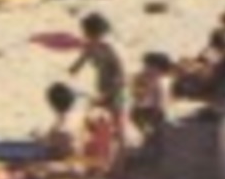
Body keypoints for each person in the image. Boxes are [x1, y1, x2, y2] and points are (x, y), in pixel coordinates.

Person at [69, 13, 126, 152]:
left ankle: (122, 155)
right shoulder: (92, 44)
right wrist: (75, 68)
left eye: (86, 31)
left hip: (117, 88)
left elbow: (121, 74)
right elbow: (83, 57)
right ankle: (106, 152)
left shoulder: (110, 48)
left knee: (118, 122)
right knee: (102, 121)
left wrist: (109, 93)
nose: (84, 34)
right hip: (102, 86)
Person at [130, 52, 175, 163]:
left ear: (159, 69)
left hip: (152, 112)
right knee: (147, 134)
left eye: (150, 67)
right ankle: (149, 154)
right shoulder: (146, 77)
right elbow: (137, 90)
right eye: (146, 66)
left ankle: (153, 156)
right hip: (142, 109)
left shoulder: (161, 82)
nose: (146, 69)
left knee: (153, 134)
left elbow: (161, 102)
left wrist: (154, 116)